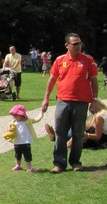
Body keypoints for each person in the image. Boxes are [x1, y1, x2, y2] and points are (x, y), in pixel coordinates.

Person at [41, 33, 99, 173]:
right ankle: (59, 164)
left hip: (81, 102)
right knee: (60, 132)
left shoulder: (88, 60)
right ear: (67, 45)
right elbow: (52, 79)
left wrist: (94, 99)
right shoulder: (60, 60)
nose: (78, 46)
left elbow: (94, 80)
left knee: (78, 134)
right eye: (75, 44)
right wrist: (46, 98)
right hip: (63, 101)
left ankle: (75, 162)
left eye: (79, 43)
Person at [3, 104, 42, 172]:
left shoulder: (27, 121)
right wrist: (8, 132)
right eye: (13, 115)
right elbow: (10, 130)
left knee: (27, 155)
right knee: (17, 155)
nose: (14, 117)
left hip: (26, 142)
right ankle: (18, 165)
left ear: (21, 115)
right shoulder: (13, 122)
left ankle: (29, 168)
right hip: (17, 142)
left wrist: (42, 112)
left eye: (15, 115)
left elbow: (36, 120)